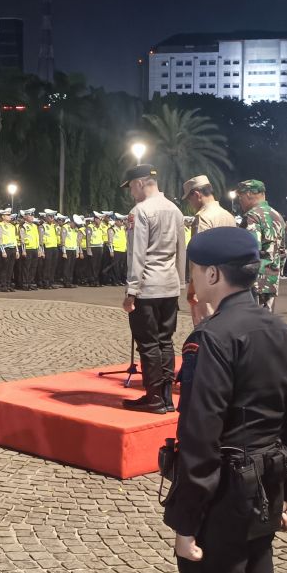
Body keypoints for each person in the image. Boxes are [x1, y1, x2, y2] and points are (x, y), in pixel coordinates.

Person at [161, 227, 287, 573]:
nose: (190, 278)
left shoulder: (213, 337)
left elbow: (200, 435)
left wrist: (186, 522)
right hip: (267, 487)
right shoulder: (279, 329)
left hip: (223, 498)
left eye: (193, 269)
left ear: (212, 273)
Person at [120, 164, 186, 414]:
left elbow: (137, 255)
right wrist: (180, 283)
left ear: (139, 183)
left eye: (130, 188)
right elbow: (182, 251)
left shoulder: (140, 211)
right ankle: (167, 397)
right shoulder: (175, 209)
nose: (130, 193)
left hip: (147, 287)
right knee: (165, 341)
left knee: (148, 344)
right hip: (169, 286)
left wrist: (131, 292)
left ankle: (154, 397)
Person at [183, 175, 237, 324]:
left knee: (205, 330)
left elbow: (199, 256)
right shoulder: (228, 216)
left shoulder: (203, 217)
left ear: (197, 194)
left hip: (207, 284)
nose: (190, 203)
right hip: (228, 282)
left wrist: (193, 288)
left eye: (189, 198)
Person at [236, 180, 287, 310]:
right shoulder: (277, 216)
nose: (239, 201)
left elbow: (250, 250)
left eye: (240, 197)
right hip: (272, 278)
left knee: (250, 322)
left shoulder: (253, 216)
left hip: (254, 281)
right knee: (267, 321)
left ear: (248, 194)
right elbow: (283, 251)